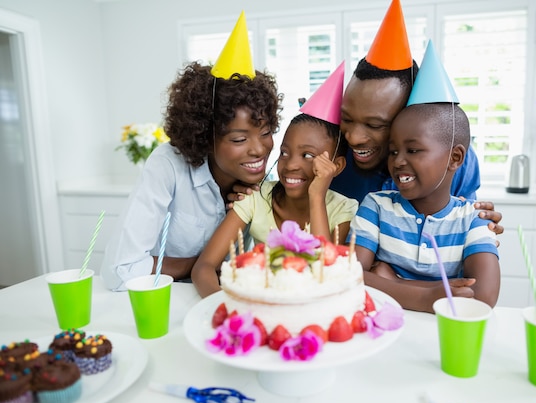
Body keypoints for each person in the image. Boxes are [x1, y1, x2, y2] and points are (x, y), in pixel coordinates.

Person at [101, 12, 282, 290]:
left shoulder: (263, 183)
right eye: (238, 139)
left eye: (266, 132)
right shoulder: (168, 166)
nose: (259, 149)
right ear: (204, 137)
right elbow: (120, 270)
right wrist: (202, 264)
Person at [351, 41, 500, 313]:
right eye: (394, 150)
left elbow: (480, 296)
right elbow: (349, 276)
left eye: (375, 124)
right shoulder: (375, 205)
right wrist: (433, 293)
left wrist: (391, 282)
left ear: (455, 158)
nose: (397, 160)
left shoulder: (471, 216)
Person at [330, 0, 503, 235]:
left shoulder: (449, 158)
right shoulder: (333, 156)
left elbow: (462, 227)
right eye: (347, 119)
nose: (354, 137)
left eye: (375, 124)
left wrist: (477, 228)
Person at [191, 63, 358, 297]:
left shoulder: (342, 209)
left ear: (337, 166)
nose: (290, 165)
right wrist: (222, 307)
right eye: (285, 152)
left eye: (307, 155)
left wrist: (317, 195)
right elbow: (204, 267)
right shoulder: (255, 198)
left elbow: (327, 273)